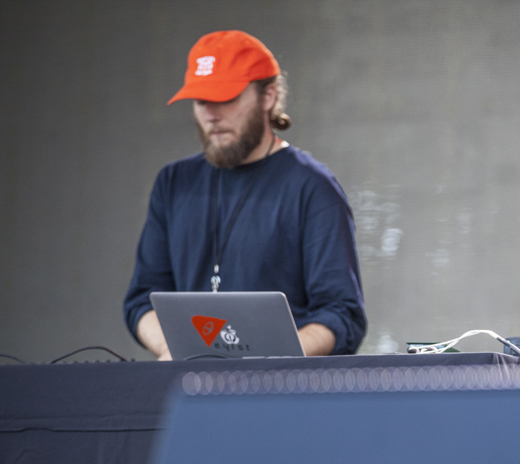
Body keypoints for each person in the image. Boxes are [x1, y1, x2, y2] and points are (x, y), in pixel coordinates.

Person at [124, 30, 366, 359]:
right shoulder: (173, 183)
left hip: (280, 388)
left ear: (268, 96)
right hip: (190, 384)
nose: (211, 114)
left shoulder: (312, 188)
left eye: (225, 98)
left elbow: (341, 316)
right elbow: (142, 300)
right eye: (201, 101)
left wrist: (264, 362)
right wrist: (173, 350)